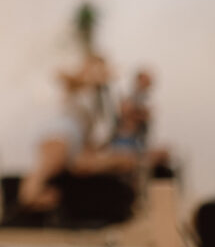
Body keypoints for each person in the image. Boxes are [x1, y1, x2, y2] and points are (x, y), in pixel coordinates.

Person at [17, 42, 136, 212]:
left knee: (95, 164)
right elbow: (61, 75)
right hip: (61, 130)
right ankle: (30, 199)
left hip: (77, 136)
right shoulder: (76, 84)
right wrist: (89, 76)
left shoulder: (99, 96)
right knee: (44, 170)